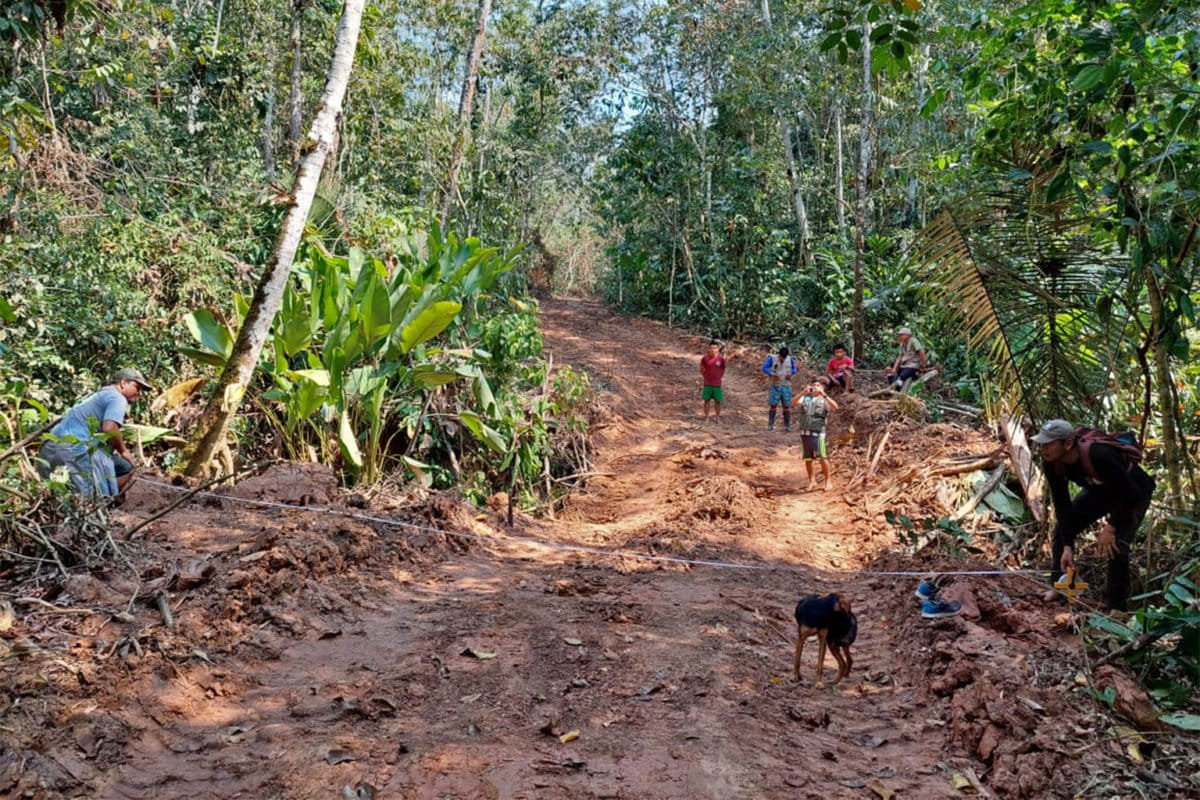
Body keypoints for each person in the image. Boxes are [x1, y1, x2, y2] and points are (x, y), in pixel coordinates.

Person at [1033, 419, 1155, 611]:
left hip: (1133, 492)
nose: (1043, 449)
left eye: (1048, 444)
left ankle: (1116, 607)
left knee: (1117, 545)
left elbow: (1129, 493)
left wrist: (1112, 526)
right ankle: (1059, 585)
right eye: (1041, 443)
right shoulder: (1052, 463)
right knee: (1062, 530)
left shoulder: (1099, 455)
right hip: (1100, 490)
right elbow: (1062, 504)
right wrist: (1067, 545)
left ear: (1067, 443)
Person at [38, 368, 152, 499]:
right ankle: (106, 502)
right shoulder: (117, 398)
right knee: (86, 499)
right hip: (72, 447)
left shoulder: (97, 394)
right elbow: (109, 428)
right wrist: (124, 451)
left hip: (49, 447)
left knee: (52, 497)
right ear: (123, 383)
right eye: (137, 387)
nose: (139, 393)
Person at [793, 381, 838, 490]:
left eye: (818, 385)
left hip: (818, 433)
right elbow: (793, 402)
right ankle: (812, 481)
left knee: (822, 457)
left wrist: (824, 394)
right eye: (813, 385)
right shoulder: (805, 398)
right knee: (808, 458)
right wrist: (802, 393)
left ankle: (828, 481)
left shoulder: (824, 400)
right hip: (805, 432)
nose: (815, 387)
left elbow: (835, 407)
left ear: (822, 388)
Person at [761, 345, 798, 432]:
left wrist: (791, 373)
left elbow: (794, 369)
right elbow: (764, 368)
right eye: (781, 357)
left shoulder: (790, 359)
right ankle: (770, 425)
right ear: (779, 354)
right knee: (773, 405)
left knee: (786, 405)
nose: (782, 359)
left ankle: (787, 426)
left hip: (786, 385)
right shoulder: (772, 358)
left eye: (784, 358)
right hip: (775, 384)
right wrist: (771, 373)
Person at [699, 340, 727, 423]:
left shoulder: (721, 359)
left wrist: (719, 377)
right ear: (708, 349)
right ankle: (706, 417)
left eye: (715, 348)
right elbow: (701, 368)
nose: (712, 349)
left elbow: (723, 369)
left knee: (717, 401)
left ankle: (717, 418)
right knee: (706, 400)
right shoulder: (705, 358)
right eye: (711, 348)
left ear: (718, 349)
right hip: (707, 383)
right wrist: (705, 376)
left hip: (717, 384)